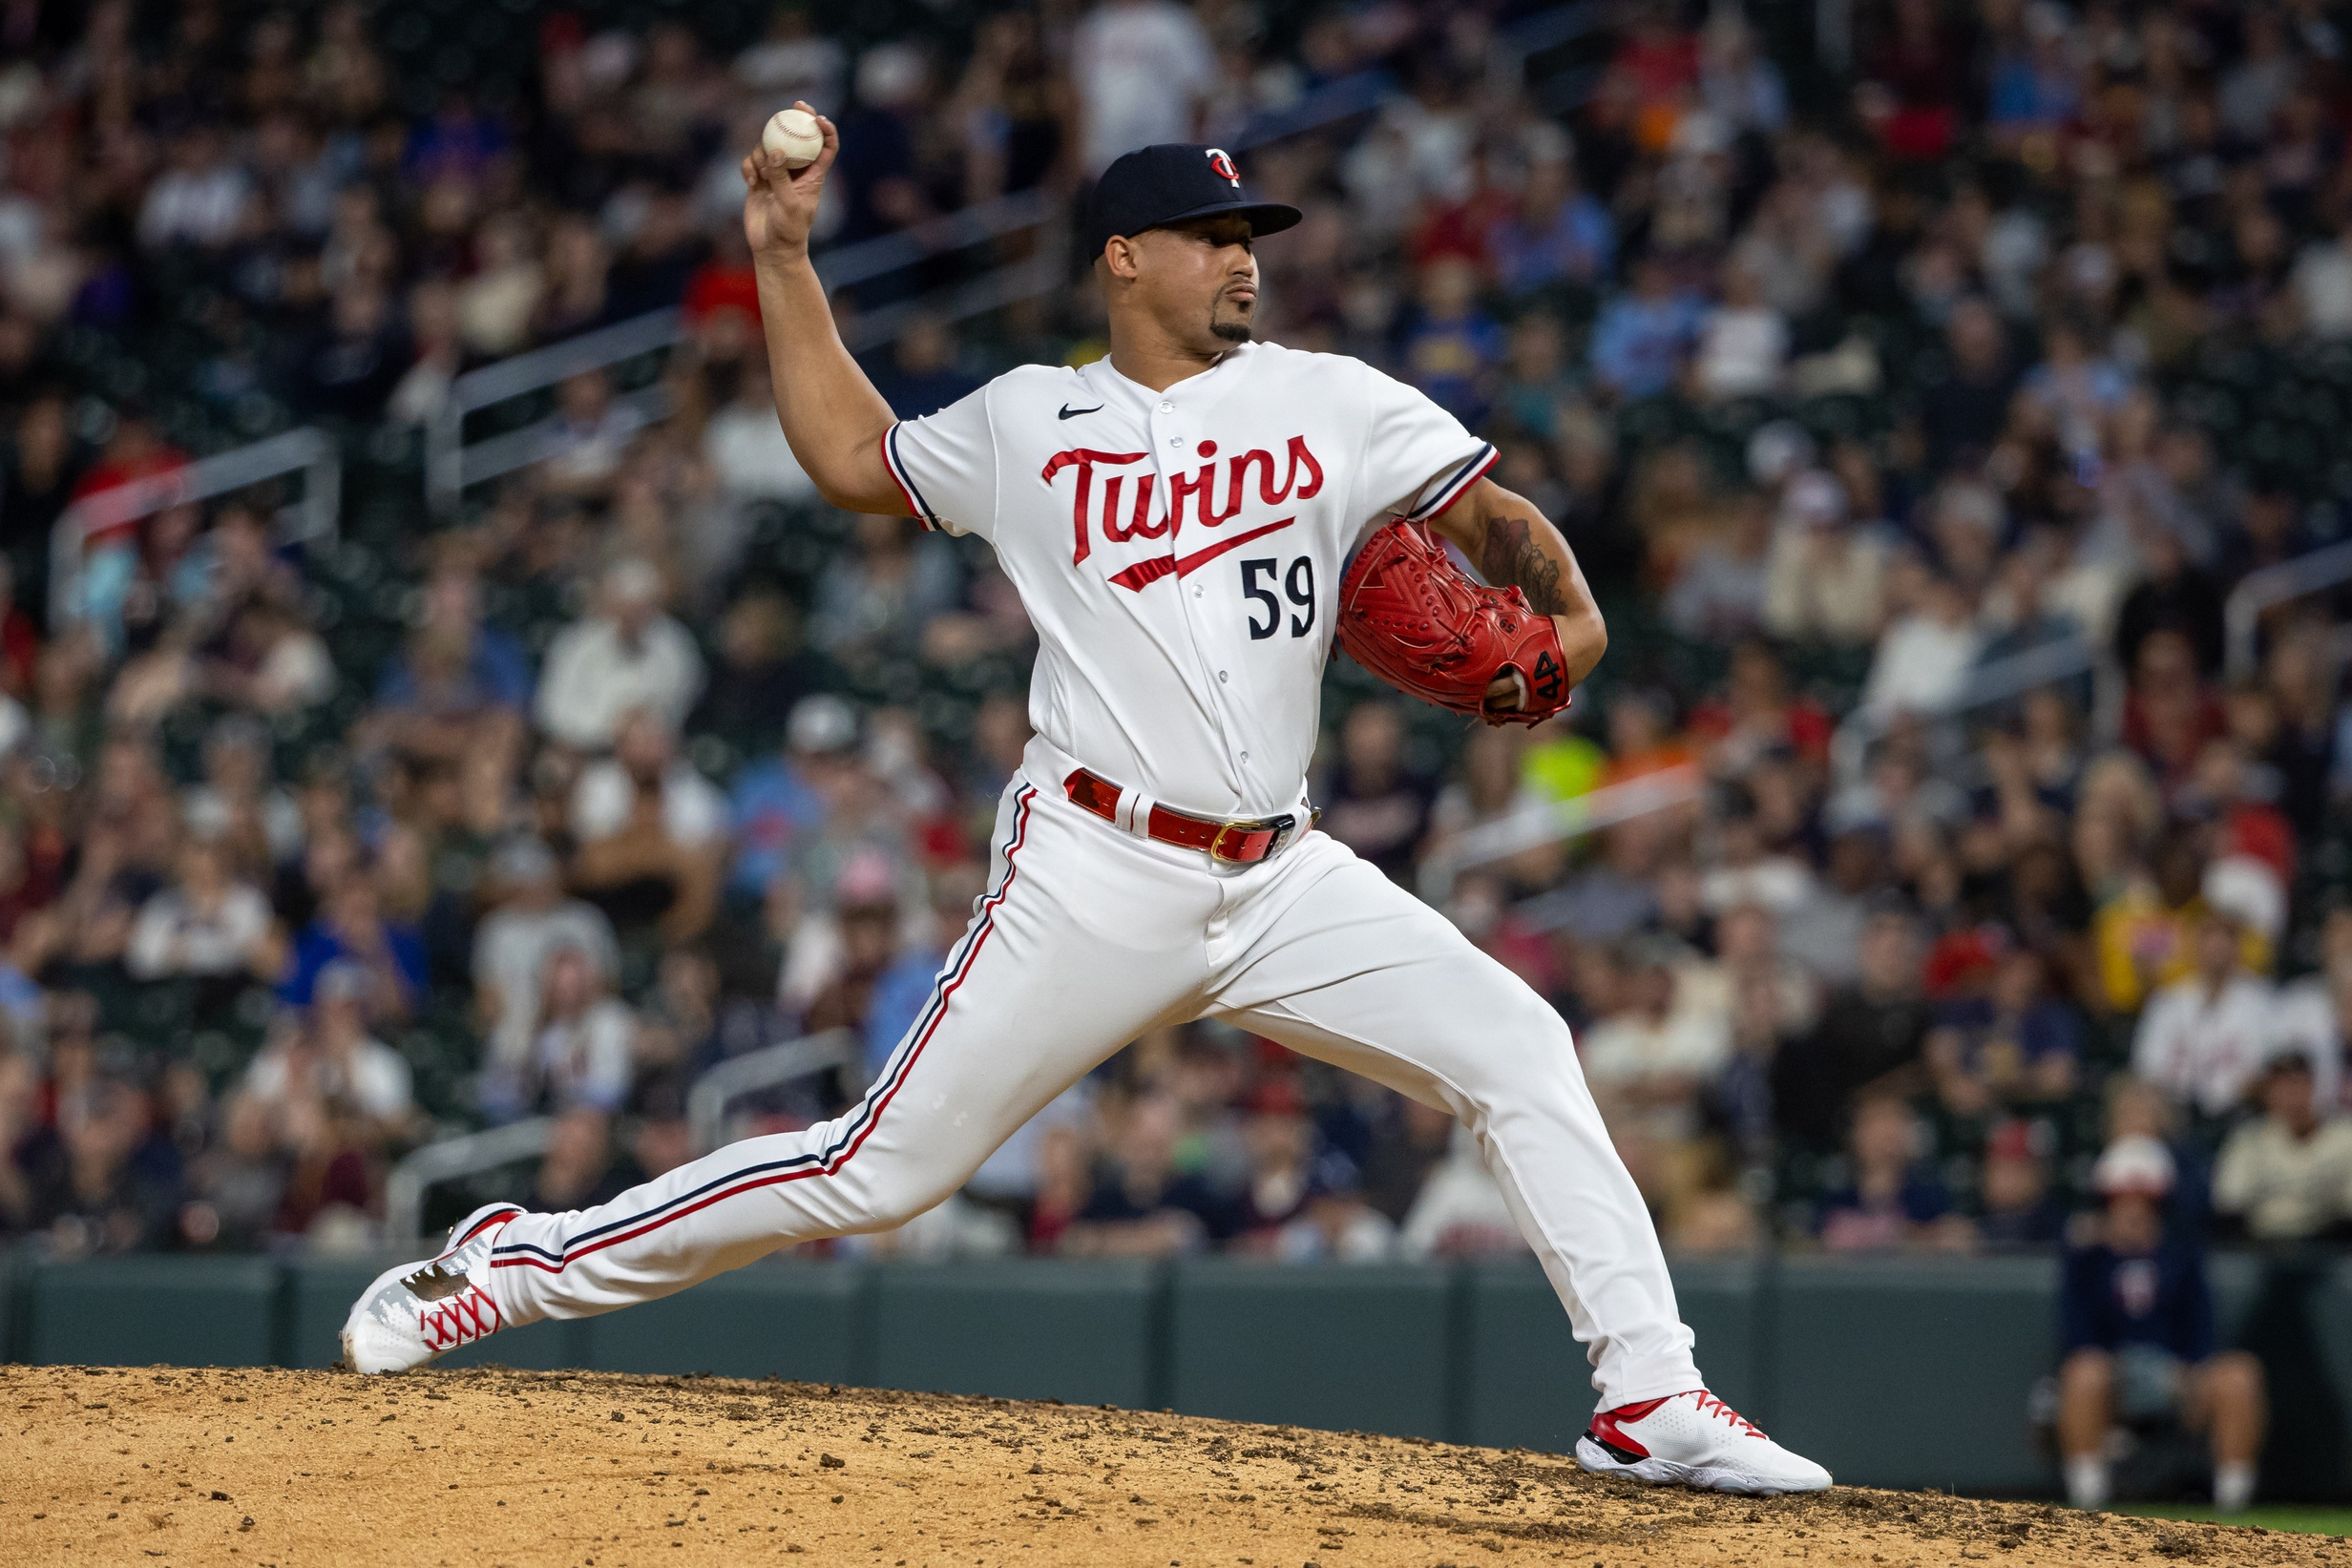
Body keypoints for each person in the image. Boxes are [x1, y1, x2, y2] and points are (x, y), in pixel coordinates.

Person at [342, 126, 1827, 1495]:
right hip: (1094, 864)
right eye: (1207, 231)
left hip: (1283, 874)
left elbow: (1483, 515)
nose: (1242, 254)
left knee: (1521, 1044)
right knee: (878, 1168)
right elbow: (852, 457)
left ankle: (1650, 1394)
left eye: (1250, 231)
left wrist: (1564, 609)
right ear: (1125, 257)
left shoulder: (1336, 397)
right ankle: (517, 1261)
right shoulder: (1029, 422)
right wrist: (786, 263)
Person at [2056, 1136, 2265, 1513]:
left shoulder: (2182, 1258)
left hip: (2175, 1374)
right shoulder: (2087, 1260)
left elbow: (2201, 1330)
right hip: (2113, 1375)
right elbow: (2078, 1338)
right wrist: (2114, 1366)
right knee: (2084, 1374)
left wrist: (2189, 1372)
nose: (2134, 1212)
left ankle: (2233, 1508)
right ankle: (2087, 1503)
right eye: (2123, 1202)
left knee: (2239, 1376)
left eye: (2144, 1203)